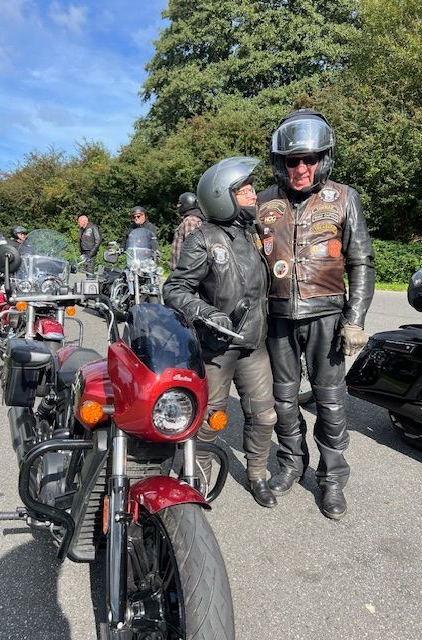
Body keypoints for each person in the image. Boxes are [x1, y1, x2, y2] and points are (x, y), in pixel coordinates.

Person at [257, 108, 375, 519]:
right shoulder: (263, 202)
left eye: (309, 159)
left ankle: (332, 477)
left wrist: (355, 319)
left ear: (323, 159)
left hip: (327, 315)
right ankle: (292, 463)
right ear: (281, 163)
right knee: (284, 398)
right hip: (277, 317)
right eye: (292, 161)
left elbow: (361, 261)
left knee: (330, 400)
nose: (301, 169)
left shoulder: (343, 197)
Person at [164, 157, 277, 508]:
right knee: (211, 419)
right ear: (221, 196)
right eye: (245, 190)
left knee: (264, 415)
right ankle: (197, 479)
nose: (254, 194)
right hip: (218, 346)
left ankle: (258, 474)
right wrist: (206, 312)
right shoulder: (203, 237)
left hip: (254, 343)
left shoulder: (253, 233)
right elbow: (175, 287)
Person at [170, 192, 205, 270]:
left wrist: (187, 271)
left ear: (187, 203)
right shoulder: (192, 219)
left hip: (184, 271)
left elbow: (191, 248)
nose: (177, 206)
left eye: (180, 203)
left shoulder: (190, 221)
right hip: (182, 270)